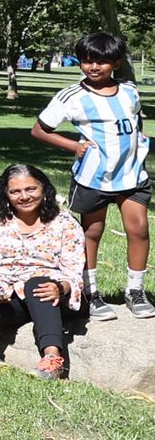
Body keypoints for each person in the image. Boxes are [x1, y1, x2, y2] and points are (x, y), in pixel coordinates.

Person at [31, 30, 151, 320]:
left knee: (139, 230)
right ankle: (90, 292)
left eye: (101, 61)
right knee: (92, 232)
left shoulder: (129, 90)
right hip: (94, 177)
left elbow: (135, 122)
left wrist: (138, 145)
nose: (94, 67)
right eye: (87, 61)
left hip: (132, 175)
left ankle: (135, 290)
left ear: (116, 63)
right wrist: (75, 146)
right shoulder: (71, 97)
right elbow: (39, 130)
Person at [0, 164, 85, 379]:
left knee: (37, 284)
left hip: (50, 295)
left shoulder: (64, 222)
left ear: (44, 189)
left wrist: (61, 288)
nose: (24, 197)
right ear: (5, 194)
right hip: (8, 295)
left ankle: (53, 359)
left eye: (31, 189)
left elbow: (74, 270)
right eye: (15, 191)